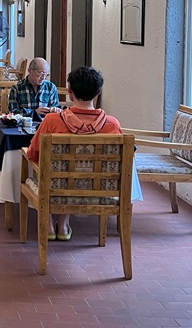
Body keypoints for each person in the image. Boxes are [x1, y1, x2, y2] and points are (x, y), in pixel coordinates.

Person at [25, 66, 123, 241]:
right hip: (98, 189)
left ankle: (48, 223)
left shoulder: (52, 121)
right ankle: (63, 224)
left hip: (56, 187)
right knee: (79, 174)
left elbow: (33, 154)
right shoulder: (112, 124)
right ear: (98, 93)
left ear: (69, 92)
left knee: (54, 173)